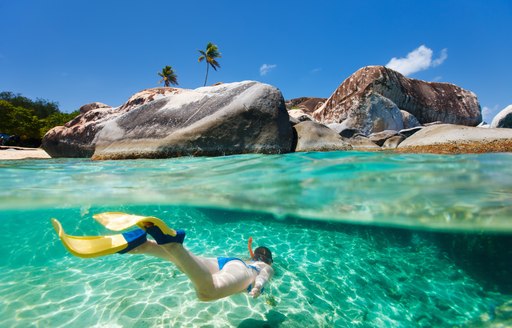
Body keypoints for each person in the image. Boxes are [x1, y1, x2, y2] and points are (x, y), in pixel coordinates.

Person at [52, 213, 274, 301]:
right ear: (268, 259)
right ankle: (172, 244)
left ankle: (141, 246)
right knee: (208, 292)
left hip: (223, 261)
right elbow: (263, 275)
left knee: (185, 263)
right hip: (242, 270)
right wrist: (258, 287)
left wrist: (250, 251)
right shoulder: (262, 265)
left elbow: (247, 260)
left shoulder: (248, 258)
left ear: (254, 254)